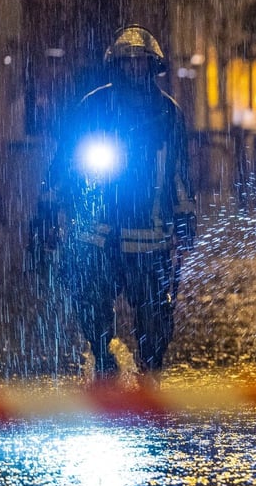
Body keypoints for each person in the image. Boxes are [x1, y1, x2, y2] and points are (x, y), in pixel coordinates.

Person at [29, 25, 196, 382]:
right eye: (128, 63)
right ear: (116, 66)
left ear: (152, 67)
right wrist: (46, 205)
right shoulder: (93, 106)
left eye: (141, 63)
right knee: (90, 301)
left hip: (148, 232)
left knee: (154, 313)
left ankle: (151, 372)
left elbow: (177, 171)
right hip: (96, 231)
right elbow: (65, 159)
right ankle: (103, 356)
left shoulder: (168, 113)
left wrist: (184, 218)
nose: (134, 69)